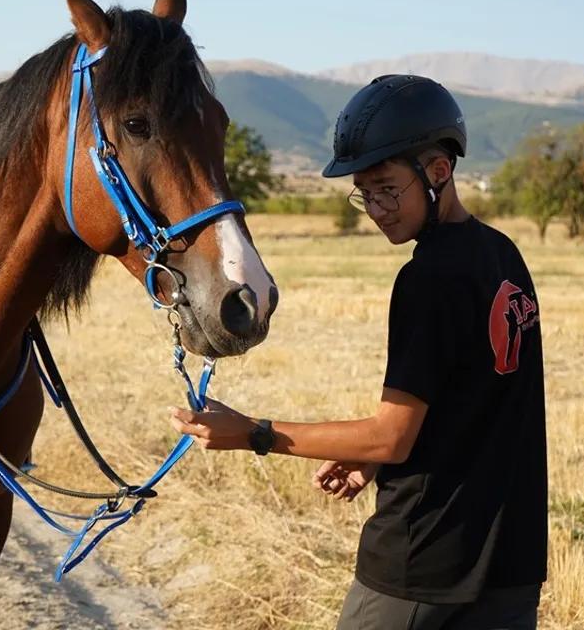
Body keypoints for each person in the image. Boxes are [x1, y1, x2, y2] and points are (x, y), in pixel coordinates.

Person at [166, 75, 548, 629]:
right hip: (510, 561)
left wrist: (253, 432)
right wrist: (368, 457)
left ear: (439, 171)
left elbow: (392, 436)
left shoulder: (428, 279)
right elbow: (470, 397)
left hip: (425, 559)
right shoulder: (501, 255)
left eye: (387, 188)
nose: (376, 208)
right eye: (364, 193)